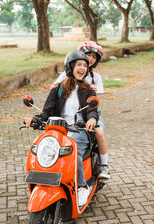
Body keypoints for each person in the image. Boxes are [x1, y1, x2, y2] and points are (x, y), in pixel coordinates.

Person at [25, 50, 98, 206]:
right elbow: (47, 112)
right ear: (70, 67)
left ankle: (82, 186)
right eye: (79, 64)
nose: (82, 68)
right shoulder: (58, 88)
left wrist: (91, 118)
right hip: (58, 129)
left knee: (73, 148)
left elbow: (92, 109)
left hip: (79, 130)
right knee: (40, 147)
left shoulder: (89, 90)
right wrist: (35, 119)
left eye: (85, 65)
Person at [51, 41, 110, 181]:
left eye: (94, 57)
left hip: (90, 110)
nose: (90, 59)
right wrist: (55, 86)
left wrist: (93, 93)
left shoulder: (96, 78)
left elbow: (97, 100)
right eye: (87, 55)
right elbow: (56, 85)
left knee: (99, 132)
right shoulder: (68, 73)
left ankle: (104, 165)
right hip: (71, 114)